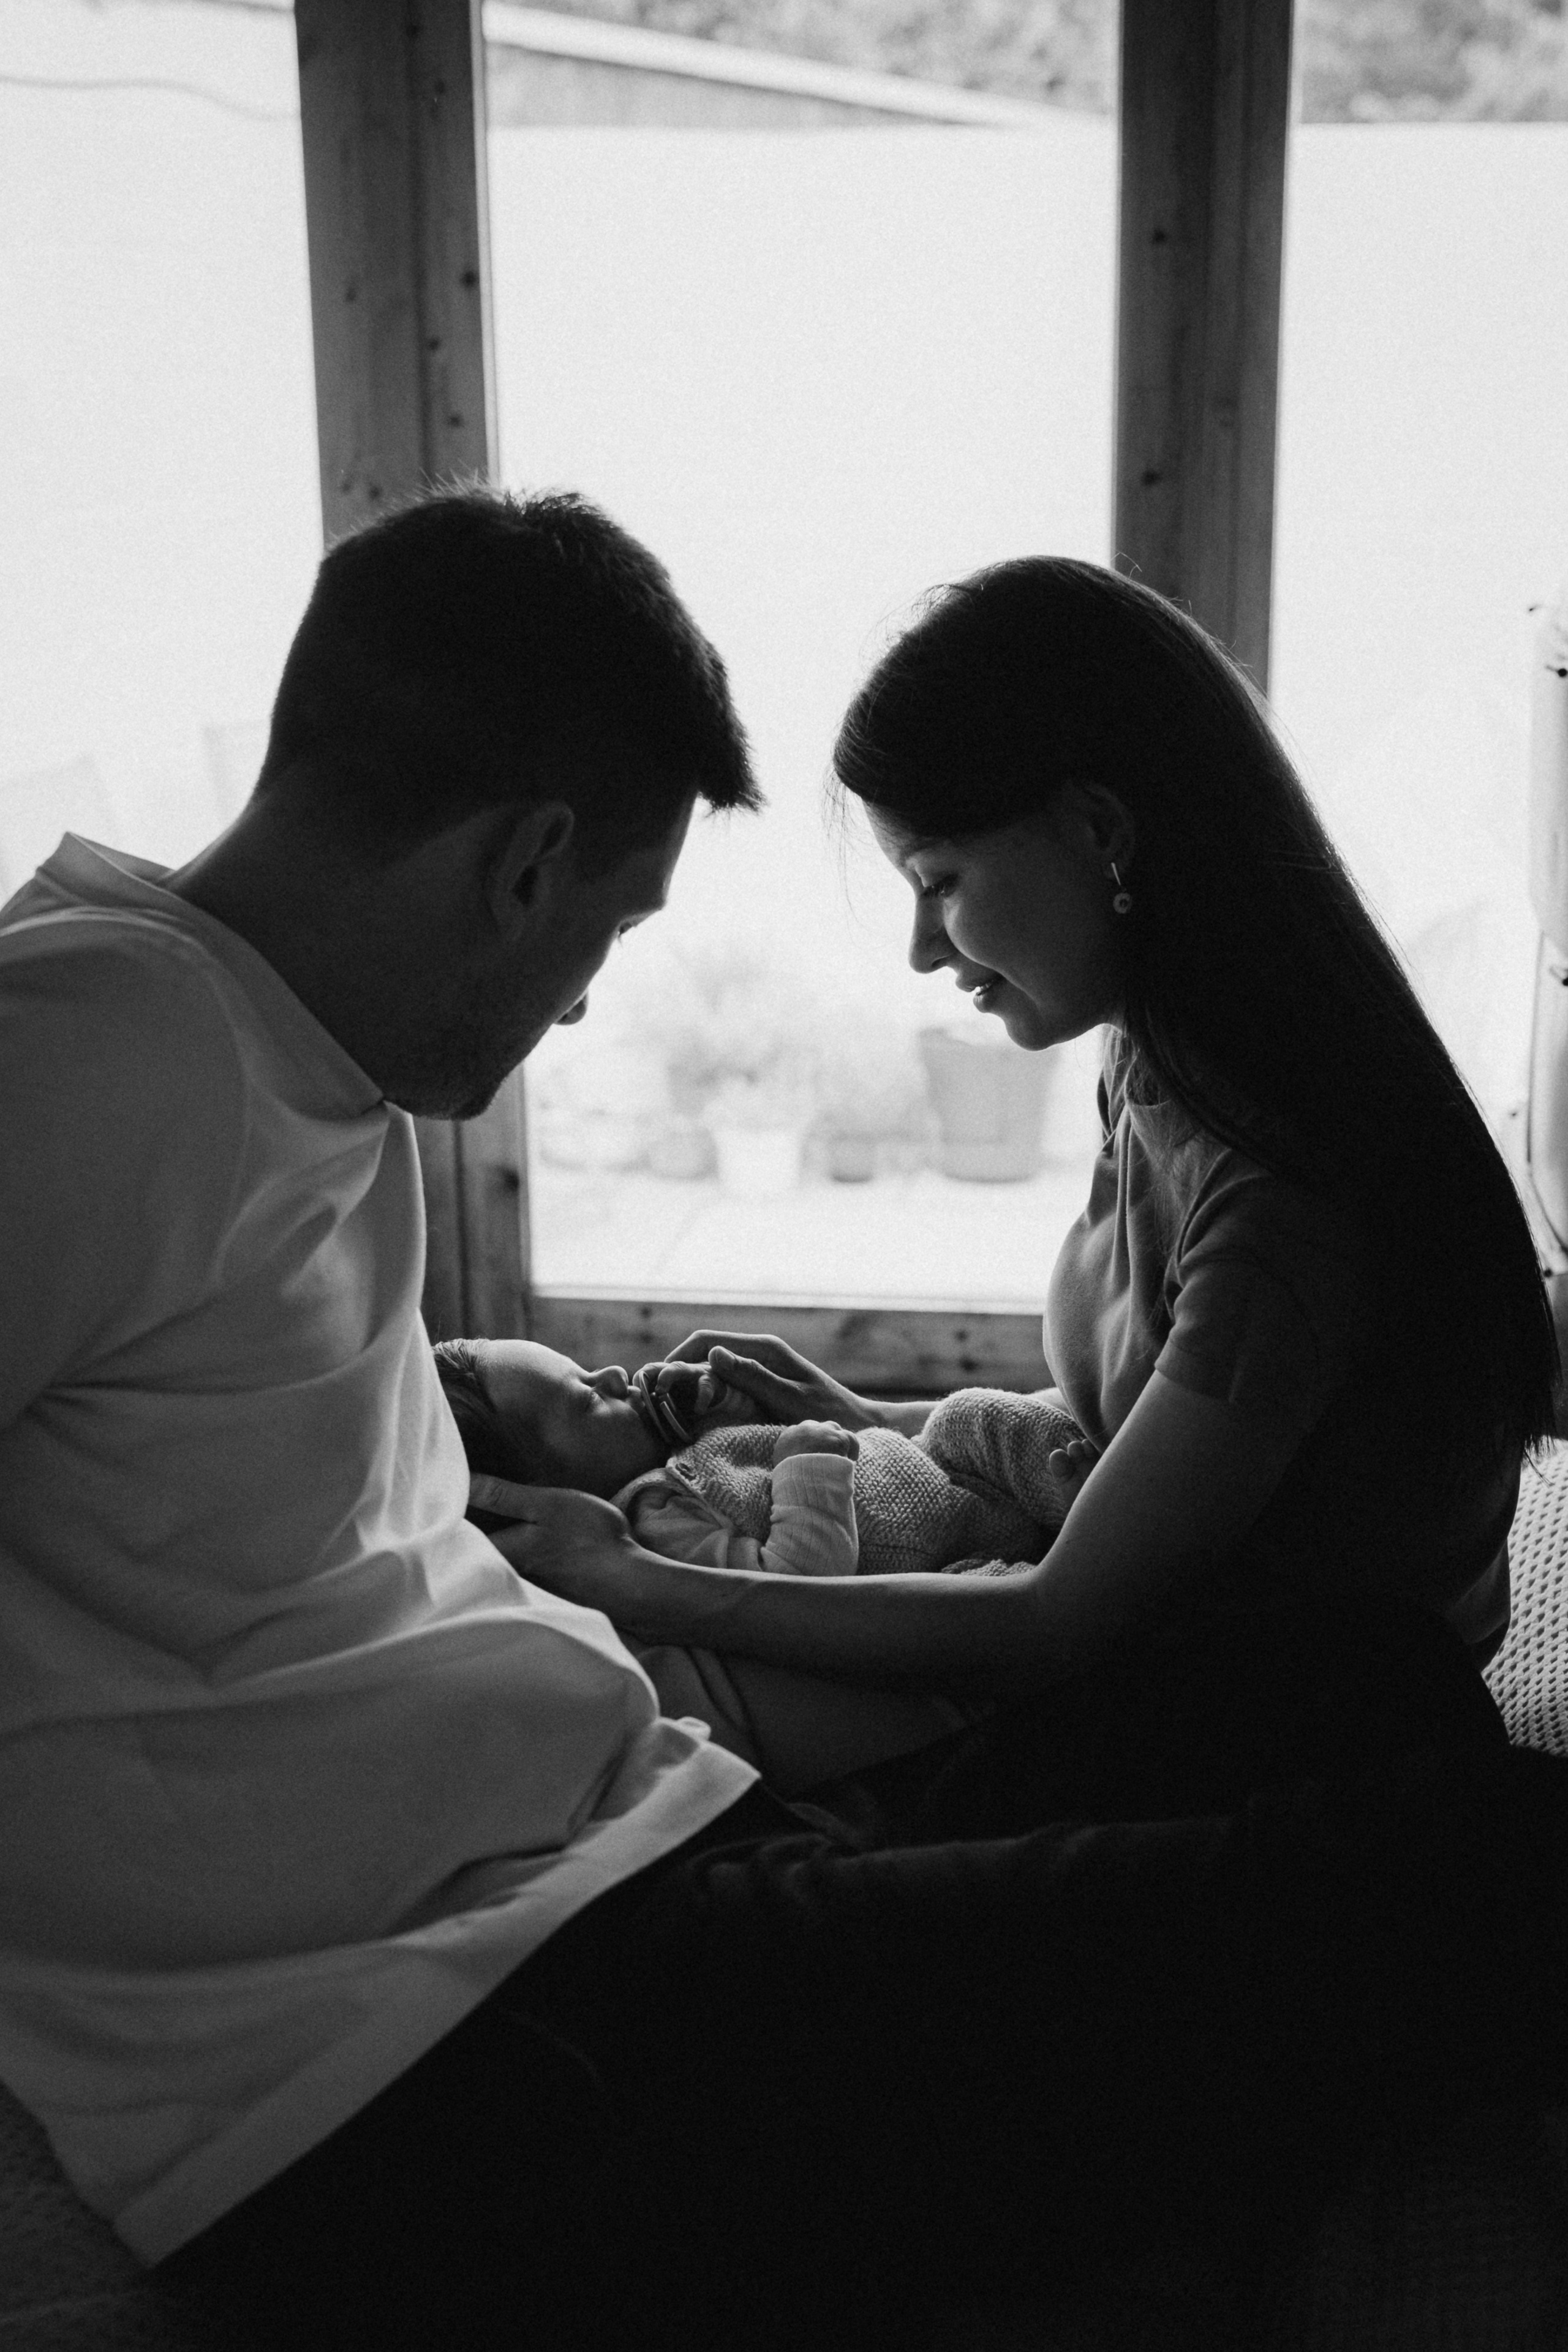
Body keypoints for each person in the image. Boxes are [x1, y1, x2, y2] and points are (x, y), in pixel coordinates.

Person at [2, 497, 1564, 2352]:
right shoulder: (91, 1052)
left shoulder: (283, 1063)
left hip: (625, 1867)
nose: (583, 1000)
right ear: (523, 864)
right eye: (611, 924)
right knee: (1489, 1862)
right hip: (461, 2058)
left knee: (1352, 1688)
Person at [486, 556, 1561, 1824]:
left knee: (707, 1864)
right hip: (1178, 1658)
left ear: (1099, 832)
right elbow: (1142, 1443)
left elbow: (1058, 1625)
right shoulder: (1157, 1058)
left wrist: (639, 1577)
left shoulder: (1279, 1197)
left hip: (1301, 1736)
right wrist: (858, 1415)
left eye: (937, 881)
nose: (921, 947)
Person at [435, 1334, 1084, 1787]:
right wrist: (808, 1465)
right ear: (546, 1498)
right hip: (942, 1553)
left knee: (970, 1415)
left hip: (935, 1477)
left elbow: (746, 1460)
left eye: (585, 1367)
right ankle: (1080, 1514)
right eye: (583, 1398)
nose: (610, 1375)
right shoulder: (659, 1520)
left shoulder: (675, 1464)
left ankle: (1081, 1499)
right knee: (1002, 1573)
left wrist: (727, 1410)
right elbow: (800, 1578)